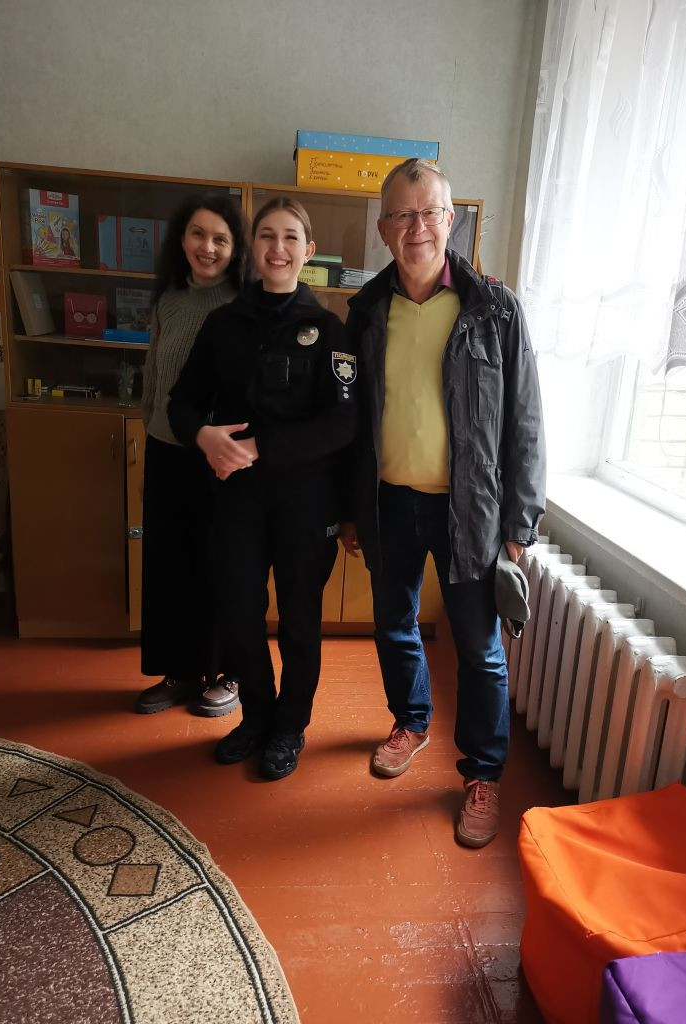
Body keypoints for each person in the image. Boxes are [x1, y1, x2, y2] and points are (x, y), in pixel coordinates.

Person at [341, 159, 546, 847]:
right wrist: (351, 508)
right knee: (394, 626)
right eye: (402, 215)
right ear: (383, 228)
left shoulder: (495, 309)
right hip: (389, 503)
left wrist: (519, 524)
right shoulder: (366, 311)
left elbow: (525, 422)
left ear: (450, 219)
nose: (416, 227)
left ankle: (482, 775)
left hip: (473, 513)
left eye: (428, 212)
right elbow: (353, 424)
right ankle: (411, 722)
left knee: (480, 651)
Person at [167, 197, 356, 780]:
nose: (278, 248)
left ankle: (289, 727)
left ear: (308, 250)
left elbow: (342, 423)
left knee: (299, 619)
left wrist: (260, 448)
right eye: (267, 236)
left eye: (290, 237)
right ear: (253, 247)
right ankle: (256, 717)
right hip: (238, 500)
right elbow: (182, 402)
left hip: (306, 500)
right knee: (239, 613)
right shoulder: (224, 324)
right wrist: (203, 436)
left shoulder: (329, 329)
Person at [135, 193, 253, 717]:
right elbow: (153, 373)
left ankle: (226, 672)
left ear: (235, 248)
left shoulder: (241, 305)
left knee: (220, 567)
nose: (208, 247)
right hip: (164, 450)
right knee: (168, 567)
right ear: (181, 239)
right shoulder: (169, 298)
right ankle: (179, 671)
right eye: (198, 234)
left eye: (220, 239)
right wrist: (148, 429)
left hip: (217, 460)